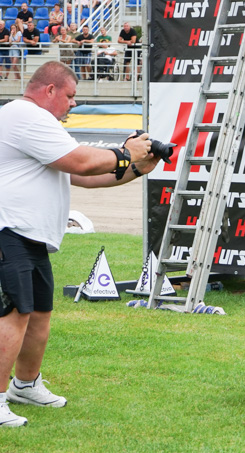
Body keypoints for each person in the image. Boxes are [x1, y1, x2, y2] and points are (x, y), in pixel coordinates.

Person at [0, 61, 159, 428]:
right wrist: (125, 152)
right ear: (50, 90)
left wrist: (134, 169)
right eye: (70, 96)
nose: (74, 104)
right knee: (14, 314)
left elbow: (82, 177)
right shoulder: (25, 115)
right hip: (9, 231)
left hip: (31, 236)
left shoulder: (39, 126)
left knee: (38, 315)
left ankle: (25, 385)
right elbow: (83, 161)